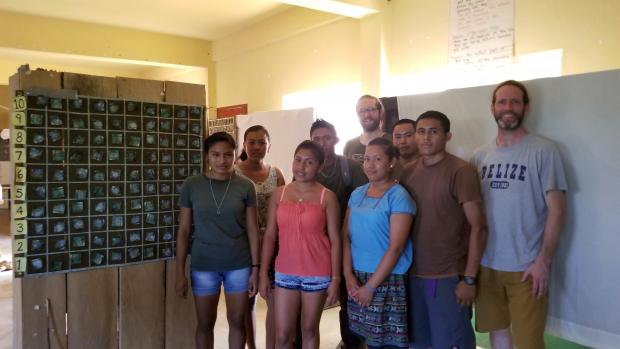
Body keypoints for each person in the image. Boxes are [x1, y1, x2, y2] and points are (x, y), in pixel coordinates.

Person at [472, 80, 567, 349]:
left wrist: (543, 261)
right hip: (487, 264)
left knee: (528, 343)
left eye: (514, 101)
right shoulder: (480, 156)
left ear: (526, 107)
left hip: (527, 267)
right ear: (492, 108)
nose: (508, 108)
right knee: (497, 334)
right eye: (502, 102)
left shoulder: (544, 150)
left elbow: (557, 211)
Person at [399, 110, 487, 349]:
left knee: (449, 342)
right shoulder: (407, 172)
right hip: (414, 275)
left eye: (434, 132)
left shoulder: (460, 171)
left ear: (447, 136)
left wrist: (469, 278)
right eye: (421, 131)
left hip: (448, 277)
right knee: (419, 344)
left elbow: (478, 227)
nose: (426, 138)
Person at [175, 132, 260, 349]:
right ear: (207, 157)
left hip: (239, 264)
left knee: (237, 322)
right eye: (215, 155)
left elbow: (252, 229)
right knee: (205, 324)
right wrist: (179, 273)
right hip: (204, 265)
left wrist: (256, 268)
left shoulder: (246, 186)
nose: (222, 161)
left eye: (227, 155)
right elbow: (184, 231)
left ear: (235, 156)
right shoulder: (192, 185)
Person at [259, 140, 341, 349]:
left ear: (320, 166)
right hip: (285, 270)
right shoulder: (279, 193)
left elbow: (335, 239)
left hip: (317, 272)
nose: (301, 167)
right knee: (283, 334)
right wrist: (262, 274)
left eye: (309, 162)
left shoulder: (327, 197)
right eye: (298, 160)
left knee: (309, 330)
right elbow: (270, 235)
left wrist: (335, 279)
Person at [343, 137, 416, 349]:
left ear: (392, 162)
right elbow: (346, 236)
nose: (370, 164)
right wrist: (348, 276)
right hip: (358, 277)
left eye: (377, 159)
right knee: (367, 339)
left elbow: (396, 247)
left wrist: (371, 286)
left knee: (388, 344)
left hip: (385, 278)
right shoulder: (357, 194)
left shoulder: (399, 196)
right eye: (366, 159)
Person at [309, 119, 367, 348]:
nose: (322, 143)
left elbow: (364, 200)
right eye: (316, 139)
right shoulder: (307, 166)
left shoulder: (349, 167)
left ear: (336, 139)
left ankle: (350, 342)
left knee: (346, 294)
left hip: (346, 243)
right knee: (309, 296)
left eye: (326, 137)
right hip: (314, 243)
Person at [235, 125, 285, 349]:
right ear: (244, 145)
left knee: (274, 301)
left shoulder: (276, 173)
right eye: (251, 142)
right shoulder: (233, 173)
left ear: (269, 145)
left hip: (273, 246)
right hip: (242, 246)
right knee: (247, 302)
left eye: (262, 142)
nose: (256, 147)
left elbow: (285, 209)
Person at [344, 94, 392, 163]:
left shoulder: (393, 142)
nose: (367, 115)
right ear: (357, 114)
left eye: (371, 109)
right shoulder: (349, 145)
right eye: (362, 111)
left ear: (380, 112)